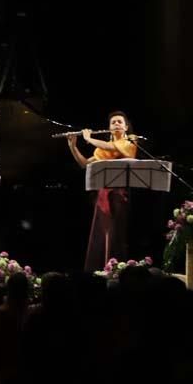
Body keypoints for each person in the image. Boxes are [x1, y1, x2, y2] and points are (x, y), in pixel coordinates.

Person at [66, 111, 137, 271]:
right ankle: (101, 269)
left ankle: (118, 269)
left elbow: (111, 146)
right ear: (109, 128)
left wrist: (89, 139)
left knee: (116, 233)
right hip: (103, 195)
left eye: (120, 122)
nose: (117, 124)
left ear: (126, 127)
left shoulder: (130, 141)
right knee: (102, 233)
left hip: (120, 195)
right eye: (113, 122)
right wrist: (73, 147)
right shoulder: (102, 150)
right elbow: (84, 164)